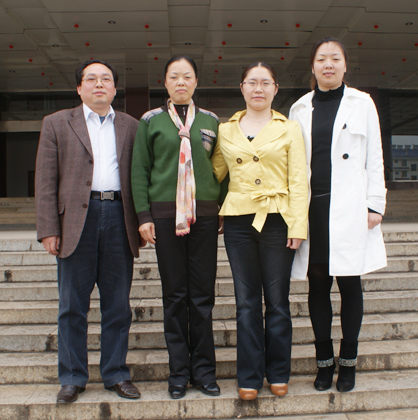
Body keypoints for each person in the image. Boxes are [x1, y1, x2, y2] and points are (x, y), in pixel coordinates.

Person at [35, 59, 143, 404]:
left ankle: (116, 374)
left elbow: (140, 176)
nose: (99, 84)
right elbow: (45, 180)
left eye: (106, 79)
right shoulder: (56, 123)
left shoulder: (131, 126)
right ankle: (72, 377)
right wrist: (48, 228)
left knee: (118, 305)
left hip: (118, 216)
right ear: (79, 88)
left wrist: (142, 219)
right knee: (72, 305)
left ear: (114, 88)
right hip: (75, 221)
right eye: (91, 79)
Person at [289, 37, 387, 393]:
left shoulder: (362, 103)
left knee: (349, 283)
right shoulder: (299, 108)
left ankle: (348, 361)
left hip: (350, 207)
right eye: (321, 59)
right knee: (317, 284)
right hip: (313, 208)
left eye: (335, 58)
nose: (328, 64)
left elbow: (374, 154)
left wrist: (375, 203)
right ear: (313, 67)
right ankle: (323, 361)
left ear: (345, 65)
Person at [212, 62, 308, 400]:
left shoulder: (290, 128)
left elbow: (299, 180)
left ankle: (278, 372)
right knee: (246, 303)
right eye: (252, 82)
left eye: (265, 83)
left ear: (275, 89)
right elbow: (214, 174)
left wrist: (298, 224)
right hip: (238, 221)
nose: (258, 88)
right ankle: (249, 376)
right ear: (241, 88)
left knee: (278, 301)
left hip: (277, 219)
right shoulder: (226, 130)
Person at [131, 56, 221, 399]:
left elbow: (222, 168)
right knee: (175, 296)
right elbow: (140, 169)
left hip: (204, 216)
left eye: (187, 76)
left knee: (202, 295)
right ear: (165, 82)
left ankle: (205, 371)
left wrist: (223, 206)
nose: (181, 82)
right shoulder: (150, 121)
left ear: (196, 81)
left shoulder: (211, 121)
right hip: (166, 216)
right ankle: (179, 373)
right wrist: (144, 215)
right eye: (174, 77)